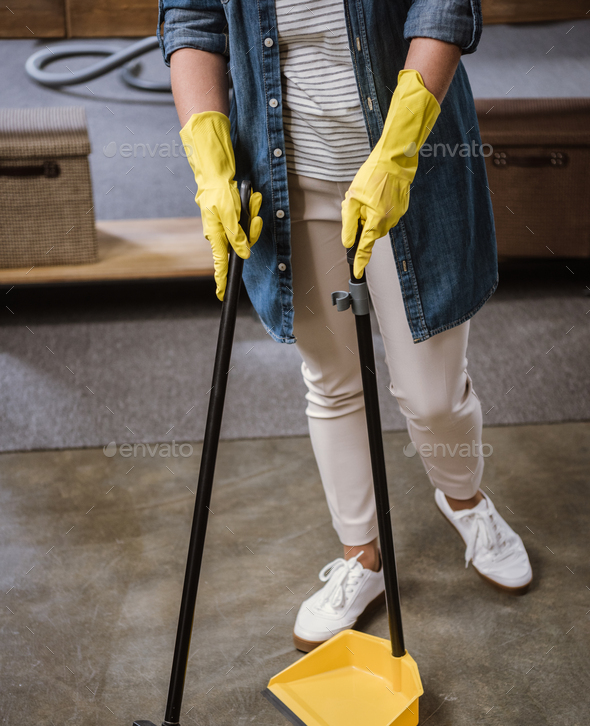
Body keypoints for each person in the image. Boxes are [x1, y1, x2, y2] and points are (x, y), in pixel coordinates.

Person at [158, 0, 532, 652]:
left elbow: (444, 8)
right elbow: (192, 18)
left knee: (432, 396)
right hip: (285, 176)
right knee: (331, 379)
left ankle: (465, 502)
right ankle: (363, 558)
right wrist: (209, 159)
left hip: (410, 163)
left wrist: (396, 152)